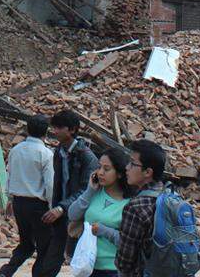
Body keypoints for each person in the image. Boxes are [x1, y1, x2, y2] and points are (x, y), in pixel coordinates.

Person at [37, 109, 99, 277]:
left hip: (78, 216)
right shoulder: (59, 152)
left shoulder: (87, 157)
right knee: (52, 259)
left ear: (72, 130)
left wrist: (61, 208)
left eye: (59, 127)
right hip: (61, 212)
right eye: (54, 127)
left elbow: (87, 190)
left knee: (80, 260)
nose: (55, 131)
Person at [0, 115, 55, 277]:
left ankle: (7, 271)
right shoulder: (46, 154)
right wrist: (52, 208)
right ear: (46, 132)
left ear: (27, 130)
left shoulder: (16, 150)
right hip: (39, 206)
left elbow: (9, 175)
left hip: (19, 203)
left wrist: (9, 198)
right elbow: (50, 185)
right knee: (45, 247)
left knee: (26, 243)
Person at [67, 148, 134, 277]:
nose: (100, 173)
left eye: (106, 169)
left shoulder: (129, 204)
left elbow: (129, 242)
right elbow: (72, 214)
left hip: (112, 269)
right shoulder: (95, 192)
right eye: (99, 167)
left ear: (119, 173)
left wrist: (104, 231)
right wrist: (89, 191)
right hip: (86, 265)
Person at [114, 141, 167, 277]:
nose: (127, 167)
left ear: (148, 172)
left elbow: (125, 261)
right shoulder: (171, 196)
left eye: (132, 163)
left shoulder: (136, 207)